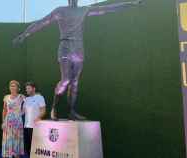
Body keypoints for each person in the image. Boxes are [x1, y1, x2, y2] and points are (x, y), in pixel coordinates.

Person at [13, 0, 143, 120]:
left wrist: (131, 3)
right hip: (65, 47)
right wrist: (25, 33)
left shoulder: (84, 10)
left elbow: (107, 8)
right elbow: (43, 21)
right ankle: (54, 107)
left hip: (78, 50)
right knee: (66, 80)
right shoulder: (61, 10)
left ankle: (71, 111)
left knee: (75, 82)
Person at [2, 80, 25, 158]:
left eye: (14, 86)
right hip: (8, 121)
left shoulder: (21, 97)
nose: (12, 87)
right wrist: (3, 122)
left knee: (17, 137)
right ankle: (8, 154)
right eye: (11, 86)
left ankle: (16, 154)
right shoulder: (6, 97)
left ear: (18, 88)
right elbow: (4, 110)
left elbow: (28, 106)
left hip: (17, 121)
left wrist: (21, 113)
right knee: (8, 138)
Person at [23, 82, 46, 156]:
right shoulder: (26, 99)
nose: (27, 90)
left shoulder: (40, 97)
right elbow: (22, 112)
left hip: (35, 127)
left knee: (36, 148)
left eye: (28, 88)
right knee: (27, 148)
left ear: (34, 88)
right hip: (26, 127)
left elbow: (43, 110)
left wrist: (38, 118)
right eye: (26, 88)